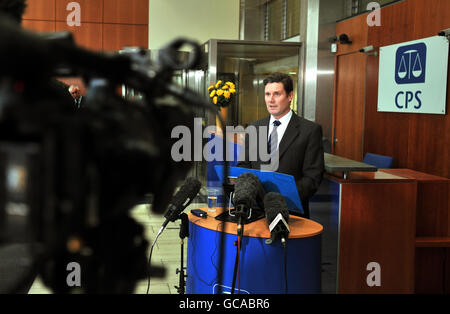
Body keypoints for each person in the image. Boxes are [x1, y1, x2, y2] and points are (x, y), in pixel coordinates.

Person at [237, 72, 324, 218]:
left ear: (290, 96)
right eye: (267, 94)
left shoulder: (310, 130)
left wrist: (281, 199)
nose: (271, 100)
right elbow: (243, 166)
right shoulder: (254, 127)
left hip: (291, 213)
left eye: (277, 94)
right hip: (255, 211)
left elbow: (312, 178)